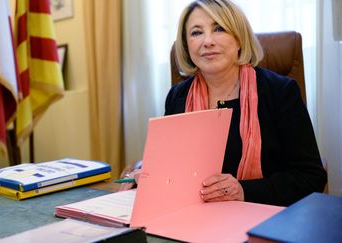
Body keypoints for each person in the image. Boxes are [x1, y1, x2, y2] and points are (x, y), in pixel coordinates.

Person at [119, 0, 327, 206]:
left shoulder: (280, 92)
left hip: (264, 219)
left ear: (239, 39)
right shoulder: (177, 96)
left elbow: (311, 176)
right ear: (186, 46)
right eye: (196, 32)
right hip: (193, 216)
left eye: (219, 29)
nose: (207, 41)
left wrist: (244, 190)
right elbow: (169, 166)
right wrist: (144, 175)